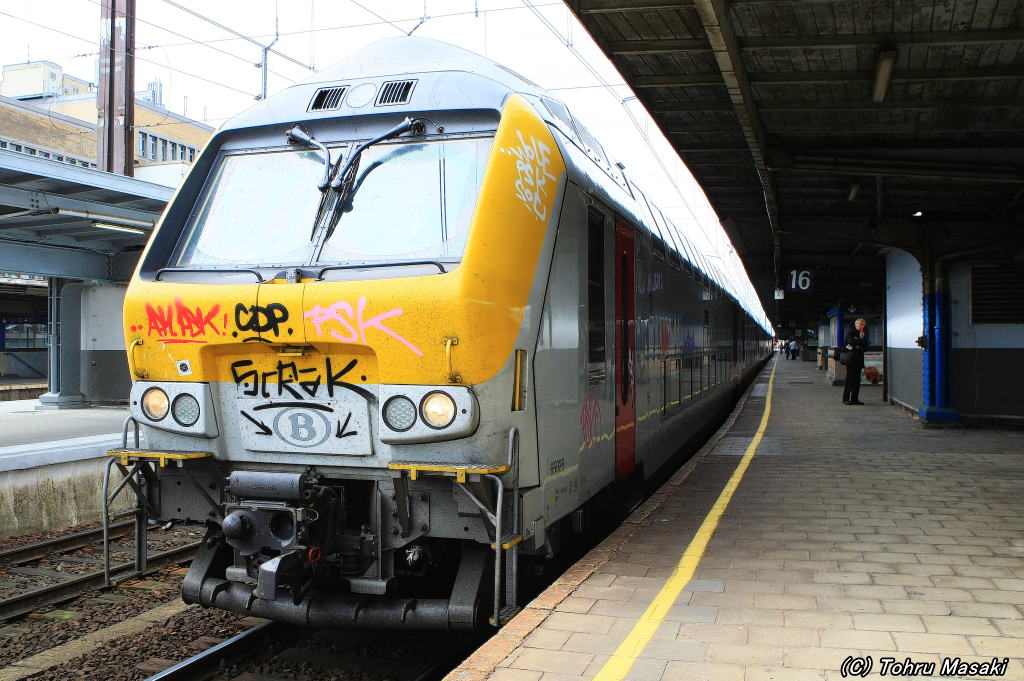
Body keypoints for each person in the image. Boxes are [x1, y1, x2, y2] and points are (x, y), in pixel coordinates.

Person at [842, 318, 868, 405]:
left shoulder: (864, 333)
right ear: (856, 325)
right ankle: (846, 399)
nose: (862, 326)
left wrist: (858, 345)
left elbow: (865, 346)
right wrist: (860, 340)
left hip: (859, 360)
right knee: (850, 379)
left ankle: (855, 399)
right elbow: (851, 342)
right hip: (851, 360)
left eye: (863, 325)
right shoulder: (850, 332)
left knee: (857, 381)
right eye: (860, 325)